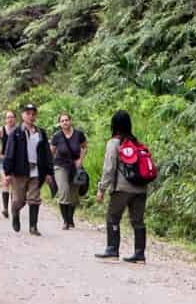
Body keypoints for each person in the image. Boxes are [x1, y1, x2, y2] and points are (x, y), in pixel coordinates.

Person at [96, 109, 148, 263]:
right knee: (137, 221)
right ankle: (139, 254)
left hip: (122, 189)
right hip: (141, 188)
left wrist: (101, 189)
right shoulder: (137, 143)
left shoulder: (114, 143)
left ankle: (112, 250)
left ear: (114, 125)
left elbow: (109, 168)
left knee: (113, 217)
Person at [1, 102, 53, 235]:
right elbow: (9, 153)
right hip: (19, 171)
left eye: (33, 114)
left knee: (34, 198)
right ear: (22, 115)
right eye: (28, 114)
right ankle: (15, 211)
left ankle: (33, 227)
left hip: (36, 170)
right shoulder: (16, 133)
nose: (31, 116)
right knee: (19, 200)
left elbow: (47, 153)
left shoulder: (41, 132)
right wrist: (7, 173)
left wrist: (48, 172)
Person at [49, 112, 88, 230]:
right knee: (64, 191)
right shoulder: (57, 136)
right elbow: (51, 152)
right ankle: (65, 221)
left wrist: (80, 160)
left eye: (66, 120)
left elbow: (85, 147)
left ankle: (70, 219)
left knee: (74, 195)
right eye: (62, 121)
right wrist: (49, 168)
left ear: (70, 121)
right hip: (60, 166)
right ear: (59, 123)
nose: (65, 122)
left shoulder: (79, 134)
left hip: (75, 167)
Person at [0, 110, 16, 217]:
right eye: (8, 117)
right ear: (5, 119)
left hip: (16, 161)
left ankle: (14, 208)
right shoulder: (1, 130)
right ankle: (5, 208)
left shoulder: (19, 130)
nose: (10, 119)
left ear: (15, 118)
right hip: (4, 160)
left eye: (12, 117)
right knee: (6, 182)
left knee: (14, 185)